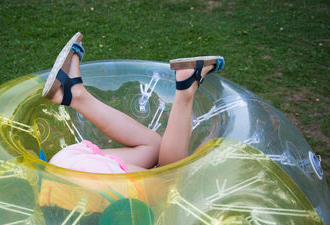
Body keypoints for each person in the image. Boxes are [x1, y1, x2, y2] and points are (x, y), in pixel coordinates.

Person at [42, 32, 225, 174]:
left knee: (163, 168)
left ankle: (75, 93)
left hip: (71, 178)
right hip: (63, 164)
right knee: (162, 164)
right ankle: (74, 93)